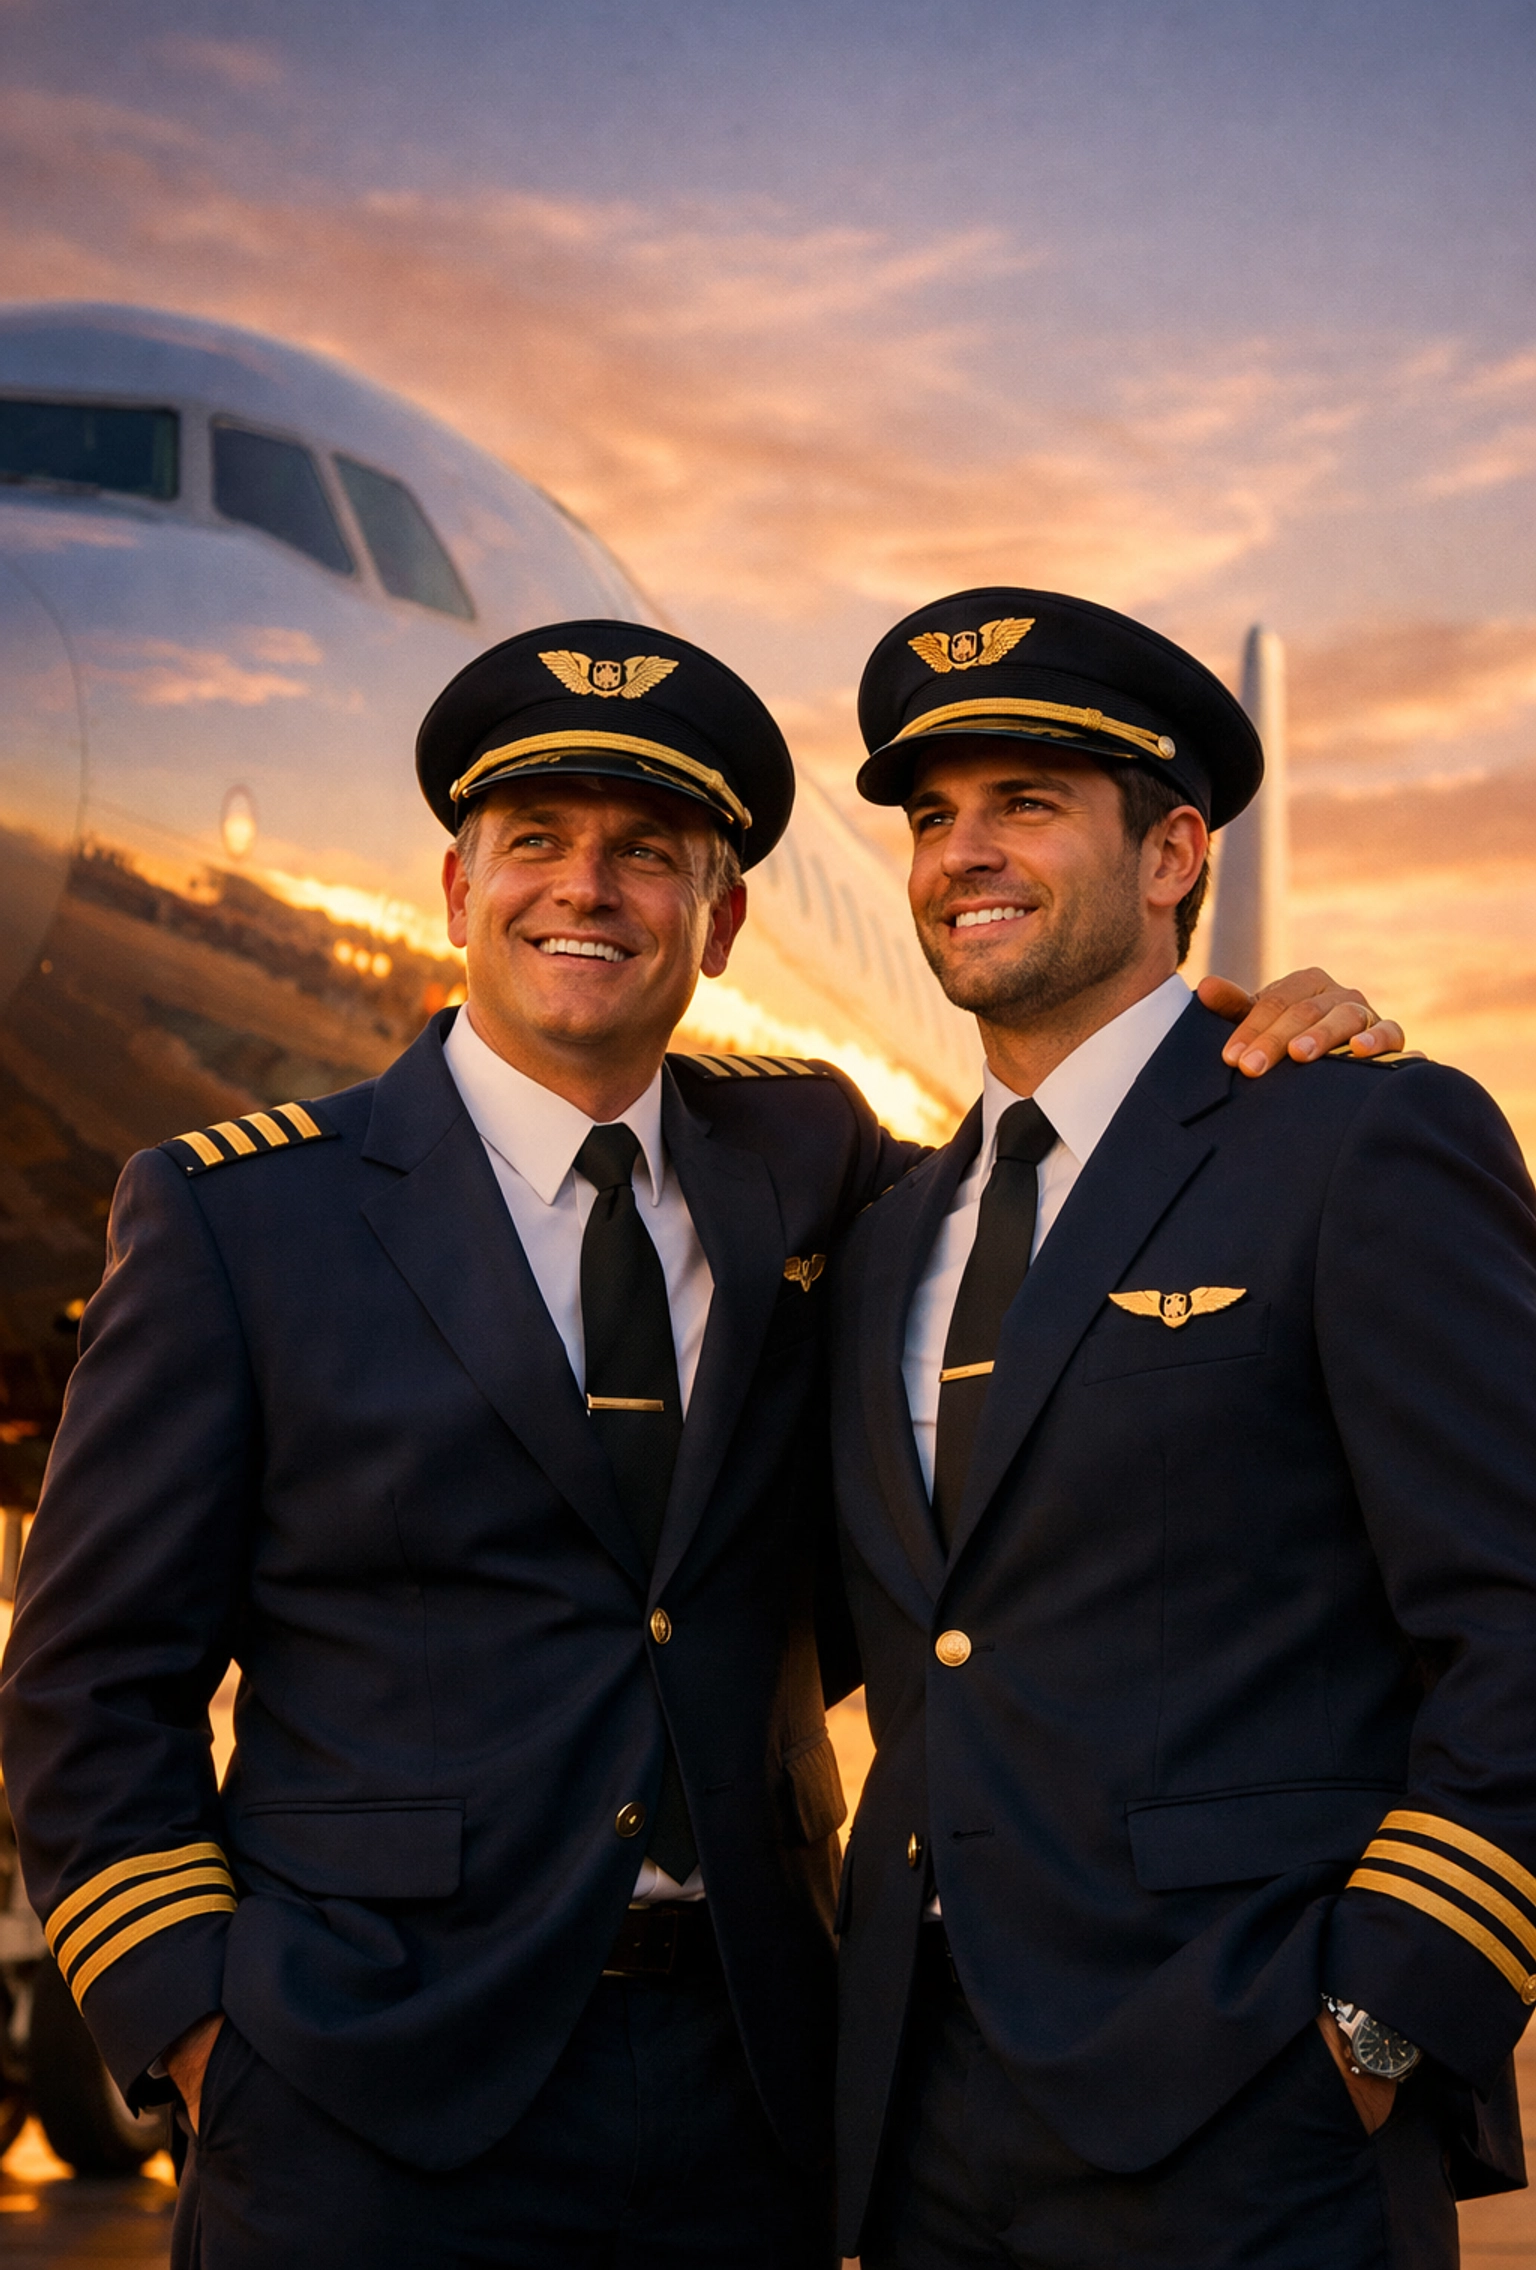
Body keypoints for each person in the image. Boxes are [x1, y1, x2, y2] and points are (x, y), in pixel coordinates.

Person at [0, 615, 1389, 2267]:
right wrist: (203, 2042)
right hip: (362, 2118)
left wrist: (1237, 1052)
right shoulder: (240, 1217)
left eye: (647, 854)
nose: (586, 890)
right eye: (536, 844)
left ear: (719, 923)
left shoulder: (815, 1167)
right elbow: (89, 1688)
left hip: (756, 2098)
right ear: (458, 892)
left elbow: (1083, 1211)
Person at [829, 587, 1536, 2270]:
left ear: (1172, 857)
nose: (964, 853)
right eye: (934, 817)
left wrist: (1378, 2024)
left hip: (1249, 2117)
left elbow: (1515, 1620)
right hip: (917, 2125)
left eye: (1028, 805)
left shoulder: (1359, 1144)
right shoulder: (883, 1240)